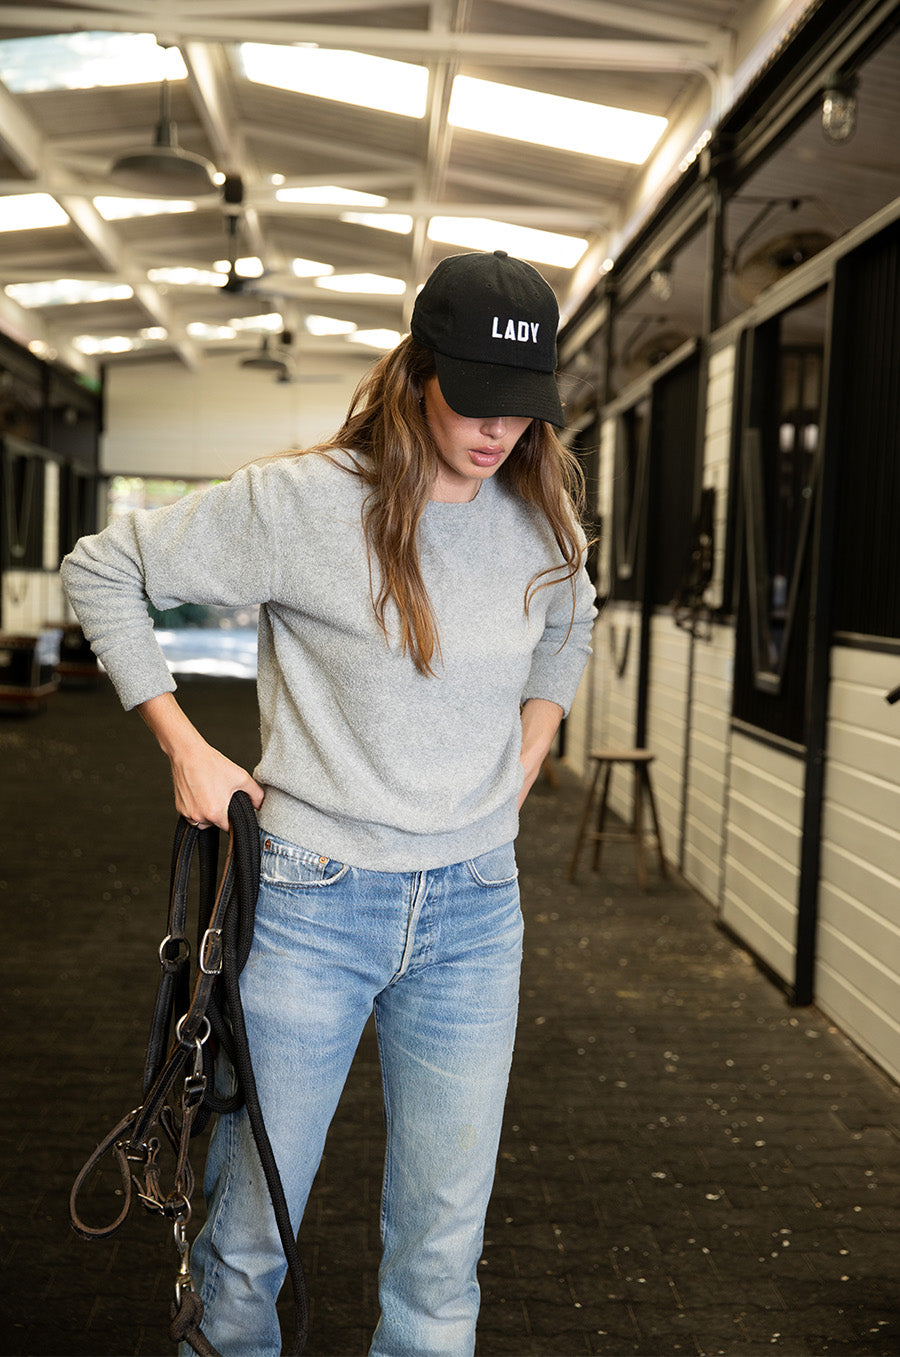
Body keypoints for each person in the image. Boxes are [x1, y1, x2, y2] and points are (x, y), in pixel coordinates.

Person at [61, 248, 596, 1357]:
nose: (501, 431)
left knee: (442, 1253)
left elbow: (572, 613)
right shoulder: (303, 503)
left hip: (476, 911)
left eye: (524, 407)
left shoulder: (539, 513)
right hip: (311, 903)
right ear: (420, 371)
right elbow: (102, 567)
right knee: (250, 1241)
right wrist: (184, 746)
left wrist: (537, 731)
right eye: (478, 402)